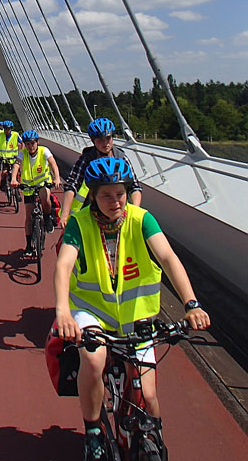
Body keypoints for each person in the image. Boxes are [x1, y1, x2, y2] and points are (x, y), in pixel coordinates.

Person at [53, 156, 210, 461]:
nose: (115, 202)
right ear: (94, 197)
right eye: (106, 195)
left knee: (148, 394)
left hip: (137, 316)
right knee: (94, 361)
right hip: (92, 312)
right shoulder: (80, 223)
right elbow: (63, 265)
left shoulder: (141, 219)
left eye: (120, 194)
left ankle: (154, 435)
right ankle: (94, 431)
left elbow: (167, 258)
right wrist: (62, 311)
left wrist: (191, 304)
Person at [60, 117, 141, 232]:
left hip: (118, 211)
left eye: (108, 138)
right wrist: (65, 214)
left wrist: (134, 212)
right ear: (93, 141)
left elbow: (135, 186)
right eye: (100, 140)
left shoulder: (121, 158)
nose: (105, 143)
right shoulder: (87, 159)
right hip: (92, 210)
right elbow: (72, 183)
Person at [10, 130, 62, 257]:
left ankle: (48, 217)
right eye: (27, 144)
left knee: (45, 196)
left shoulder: (44, 151)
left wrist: (57, 178)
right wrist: (14, 179)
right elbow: (17, 165)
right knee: (28, 217)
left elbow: (53, 163)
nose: (30, 146)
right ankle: (28, 245)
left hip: (43, 183)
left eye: (32, 143)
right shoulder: (23, 154)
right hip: (28, 187)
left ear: (37, 142)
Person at [0, 120, 23, 192]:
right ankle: (3, 183)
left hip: (14, 159)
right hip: (5, 159)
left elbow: (22, 142)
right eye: (5, 128)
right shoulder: (1, 135)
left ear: (11, 129)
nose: (7, 130)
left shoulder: (15, 135)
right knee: (4, 172)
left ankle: (17, 191)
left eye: (8, 128)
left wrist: (22, 152)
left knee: (17, 173)